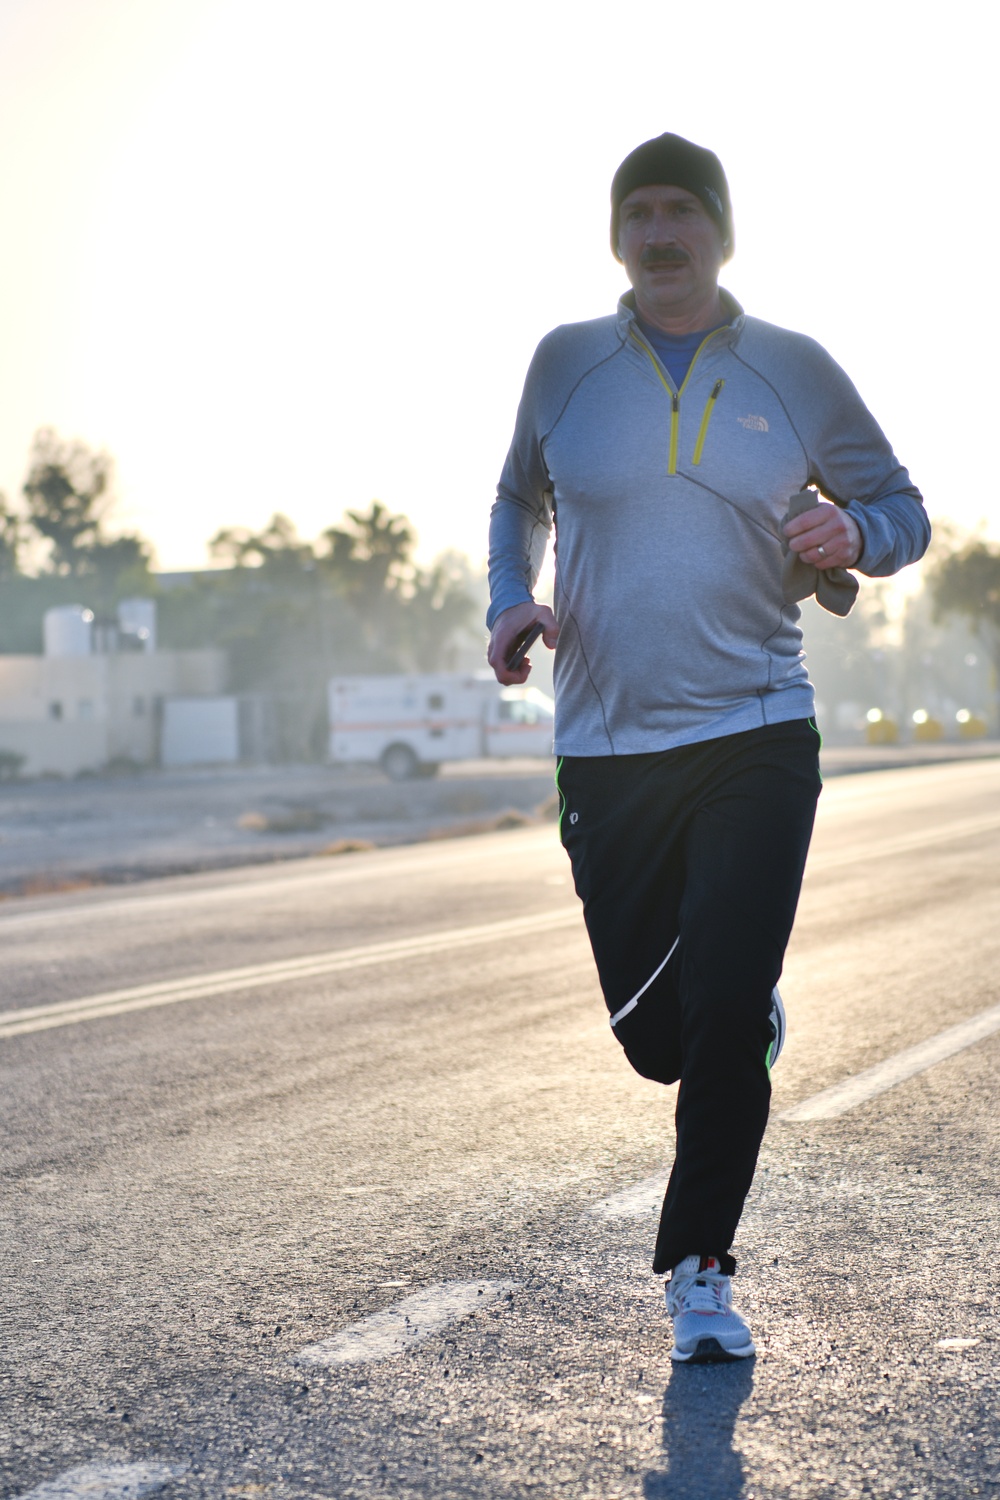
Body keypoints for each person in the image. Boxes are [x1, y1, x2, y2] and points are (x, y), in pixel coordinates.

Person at [486, 132, 929, 1364]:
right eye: (642, 213)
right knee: (657, 1041)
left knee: (723, 1012)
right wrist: (508, 601)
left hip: (755, 727)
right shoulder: (565, 365)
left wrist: (856, 531)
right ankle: (726, 1014)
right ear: (617, 237)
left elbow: (902, 508)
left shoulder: (792, 368)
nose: (662, 232)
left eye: (685, 211)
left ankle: (700, 1272)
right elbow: (514, 498)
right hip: (607, 743)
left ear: (722, 234)